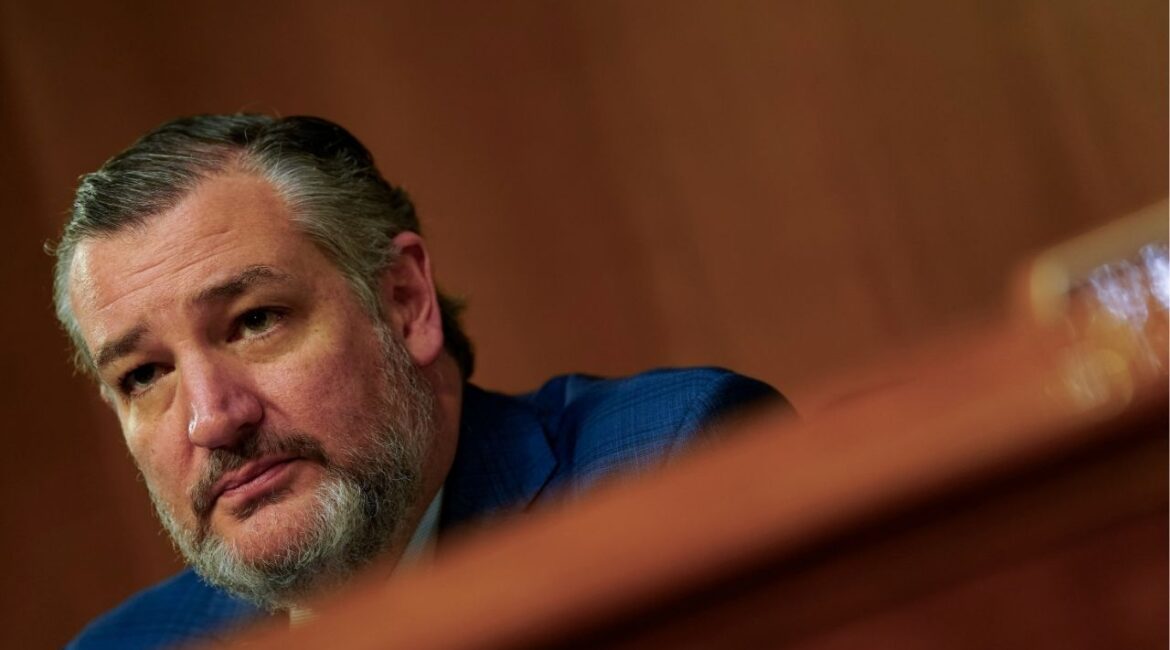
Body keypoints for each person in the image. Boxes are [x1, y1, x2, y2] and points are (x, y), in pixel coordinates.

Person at [52, 114, 785, 649]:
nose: (211, 418)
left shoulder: (668, 467)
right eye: (144, 374)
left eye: (255, 320)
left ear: (404, 302)